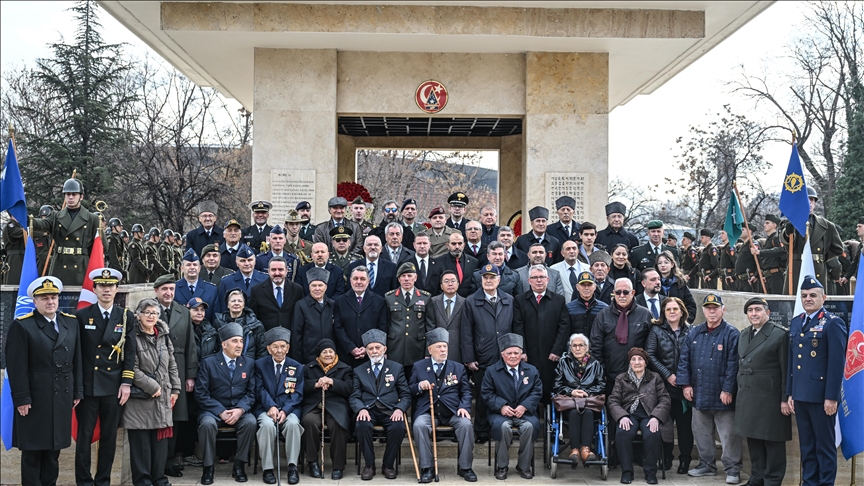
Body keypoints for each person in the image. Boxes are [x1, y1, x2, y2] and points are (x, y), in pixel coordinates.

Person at [5, 276, 82, 486]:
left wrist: (77, 391)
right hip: (35, 397)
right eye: (45, 298)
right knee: (32, 453)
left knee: (52, 452)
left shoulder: (70, 322)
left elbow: (78, 360)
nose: (50, 301)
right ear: (35, 301)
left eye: (54, 297)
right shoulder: (23, 326)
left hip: (62, 395)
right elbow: (16, 366)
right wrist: (21, 398)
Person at [74, 268, 137, 486]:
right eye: (102, 285)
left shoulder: (126, 316)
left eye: (110, 286)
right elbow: (77, 354)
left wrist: (126, 382)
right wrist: (77, 387)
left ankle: (103, 481)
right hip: (89, 387)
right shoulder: (81, 315)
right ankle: (83, 481)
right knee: (84, 438)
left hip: (113, 388)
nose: (106, 289)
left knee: (109, 438)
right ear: (95, 289)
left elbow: (130, 353)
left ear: (116, 289)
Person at [787, 276, 847, 486]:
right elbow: (792, 363)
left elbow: (836, 364)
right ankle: (809, 482)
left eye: (813, 295)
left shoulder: (832, 323)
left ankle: (825, 483)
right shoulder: (796, 322)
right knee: (807, 446)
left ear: (824, 297)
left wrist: (831, 397)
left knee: (824, 446)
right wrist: (790, 393)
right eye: (804, 296)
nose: (808, 299)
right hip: (801, 396)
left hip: (821, 398)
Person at [677, 293, 742, 484]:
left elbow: (733, 364)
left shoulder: (732, 333)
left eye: (715, 307)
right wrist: (686, 384)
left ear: (723, 309)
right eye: (708, 308)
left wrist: (728, 389)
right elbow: (684, 360)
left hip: (723, 396)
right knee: (702, 434)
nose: (712, 311)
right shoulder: (694, 332)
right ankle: (707, 465)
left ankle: (732, 469)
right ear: (703, 310)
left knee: (729, 436)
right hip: (699, 394)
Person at [120, 298, 181, 486]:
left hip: (162, 398)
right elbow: (131, 367)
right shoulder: (132, 336)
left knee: (159, 445)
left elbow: (172, 364)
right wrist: (152, 386)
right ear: (138, 315)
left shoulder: (163, 335)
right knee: (141, 446)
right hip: (141, 399)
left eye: (154, 313)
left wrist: (176, 389)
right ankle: (143, 481)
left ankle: (159, 480)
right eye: (146, 312)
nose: (151, 316)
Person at [733, 297, 792, 486]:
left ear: (767, 312)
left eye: (758, 309)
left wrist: (785, 398)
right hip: (748, 397)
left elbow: (786, 369)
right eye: (750, 310)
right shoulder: (744, 335)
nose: (754, 314)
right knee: (754, 441)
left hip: (770, 397)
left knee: (772, 442)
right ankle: (756, 478)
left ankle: (772, 480)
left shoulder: (779, 334)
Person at [409, 328, 477, 482]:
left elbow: (466, 391)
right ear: (430, 349)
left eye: (445, 347)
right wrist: (420, 385)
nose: (442, 350)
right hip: (428, 411)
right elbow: (410, 389)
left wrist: (464, 407)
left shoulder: (458, 367)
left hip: (453, 411)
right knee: (419, 425)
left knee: (466, 425)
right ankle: (427, 468)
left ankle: (465, 467)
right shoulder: (419, 366)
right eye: (439, 347)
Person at [195, 322, 258, 485]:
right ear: (224, 344)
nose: (239, 345)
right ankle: (208, 467)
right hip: (213, 410)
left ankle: (239, 465)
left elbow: (252, 393)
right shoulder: (209, 362)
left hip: (238, 409)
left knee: (250, 422)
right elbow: (201, 393)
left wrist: (240, 410)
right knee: (207, 424)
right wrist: (220, 411)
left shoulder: (249, 363)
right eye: (235, 341)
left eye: (241, 341)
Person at [152, 273, 200, 477]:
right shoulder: (149, 310)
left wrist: (190, 375)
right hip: (155, 369)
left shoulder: (182, 311)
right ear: (156, 291)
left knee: (175, 417)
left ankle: (170, 461)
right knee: (156, 416)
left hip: (178, 369)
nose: (168, 293)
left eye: (171, 289)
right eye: (164, 289)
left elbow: (191, 345)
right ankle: (155, 462)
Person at [461, 265, 515, 444]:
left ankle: (502, 428)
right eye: (485, 277)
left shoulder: (509, 299)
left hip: (505, 356)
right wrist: (469, 358)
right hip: (482, 356)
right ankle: (482, 431)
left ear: (499, 280)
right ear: (481, 280)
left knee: (505, 393)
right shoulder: (471, 301)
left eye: (492, 277)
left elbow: (515, 328)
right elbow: (466, 331)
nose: (489, 280)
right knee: (484, 396)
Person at [481, 333, 544, 480]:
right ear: (502, 354)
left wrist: (525, 406)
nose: (513, 356)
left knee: (529, 427)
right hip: (500, 413)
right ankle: (502, 466)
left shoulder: (531, 370)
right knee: (503, 427)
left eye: (517, 352)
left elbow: (537, 391)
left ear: (522, 354)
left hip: (526, 413)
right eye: (509, 353)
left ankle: (524, 466)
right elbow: (486, 393)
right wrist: (501, 406)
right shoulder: (491, 371)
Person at [350, 329, 411, 480]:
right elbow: (354, 396)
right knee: (362, 424)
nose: (374, 351)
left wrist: (399, 409)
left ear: (385, 348)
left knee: (398, 427)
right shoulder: (359, 370)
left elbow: (406, 395)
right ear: (366, 350)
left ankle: (388, 465)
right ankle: (369, 465)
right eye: (370, 348)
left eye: (377, 347)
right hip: (368, 410)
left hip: (390, 410)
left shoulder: (396, 368)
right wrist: (361, 409)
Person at [607, 347, 671, 485]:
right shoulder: (621, 378)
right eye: (633, 359)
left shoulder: (655, 377)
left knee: (652, 434)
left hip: (650, 414)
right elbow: (613, 400)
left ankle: (650, 472)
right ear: (629, 363)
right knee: (622, 433)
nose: (637, 362)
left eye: (640, 359)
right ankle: (627, 472)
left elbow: (665, 399)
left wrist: (656, 417)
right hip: (629, 415)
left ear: (646, 363)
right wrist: (622, 416)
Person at [645, 297, 693, 474]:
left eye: (675, 309)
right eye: (668, 309)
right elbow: (649, 355)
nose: (672, 312)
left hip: (684, 389)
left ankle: (685, 460)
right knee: (665, 425)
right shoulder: (656, 330)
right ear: (663, 313)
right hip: (664, 388)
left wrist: (684, 378)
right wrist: (668, 375)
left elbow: (694, 357)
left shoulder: (692, 331)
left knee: (685, 427)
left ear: (682, 312)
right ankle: (666, 458)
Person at [254, 327, 305, 484]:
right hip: (265, 408)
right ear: (268, 348)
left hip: (289, 409)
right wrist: (271, 406)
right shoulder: (259, 364)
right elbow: (259, 389)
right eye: (275, 346)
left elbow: (297, 393)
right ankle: (268, 469)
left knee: (293, 425)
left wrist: (285, 410)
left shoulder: (297, 366)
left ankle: (292, 467)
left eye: (283, 346)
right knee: (267, 426)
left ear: (288, 348)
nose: (279, 350)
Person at [512, 265, 571, 401]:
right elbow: (517, 327)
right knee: (528, 389)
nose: (539, 280)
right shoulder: (520, 300)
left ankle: (548, 419)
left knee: (548, 389)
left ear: (548, 279)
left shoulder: (558, 300)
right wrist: (522, 351)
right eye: (535, 277)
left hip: (550, 355)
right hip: (528, 355)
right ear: (528, 280)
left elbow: (564, 327)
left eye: (542, 277)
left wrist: (557, 350)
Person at [29, 178, 101, 285]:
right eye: (67, 194)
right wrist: (27, 219)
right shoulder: (56, 216)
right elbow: (41, 224)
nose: (70, 197)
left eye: (74, 194)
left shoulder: (92, 219)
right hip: (60, 266)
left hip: (81, 267)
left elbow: (101, 246)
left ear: (81, 196)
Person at [301, 339, 353, 480]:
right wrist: (316, 384)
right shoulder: (309, 368)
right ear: (319, 354)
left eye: (331, 351)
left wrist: (332, 382)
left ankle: (338, 466)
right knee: (309, 421)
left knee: (338, 424)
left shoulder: (345, 368)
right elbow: (301, 387)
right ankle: (312, 462)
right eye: (325, 352)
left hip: (336, 406)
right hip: (314, 406)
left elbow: (349, 388)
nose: (328, 354)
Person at [589, 278, 653, 393]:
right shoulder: (602, 315)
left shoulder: (645, 314)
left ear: (633, 293)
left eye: (626, 292)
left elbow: (652, 346)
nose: (621, 295)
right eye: (618, 292)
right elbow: (595, 346)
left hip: (639, 375)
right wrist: (602, 372)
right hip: (611, 376)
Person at [553, 333, 605, 465]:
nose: (577, 348)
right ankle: (575, 450)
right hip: (569, 403)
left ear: (587, 348)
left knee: (587, 412)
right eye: (574, 346)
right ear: (570, 348)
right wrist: (572, 392)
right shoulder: (563, 362)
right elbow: (556, 385)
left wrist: (586, 392)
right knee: (575, 412)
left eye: (580, 345)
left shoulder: (596, 363)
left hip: (589, 402)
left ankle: (585, 449)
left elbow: (602, 385)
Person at [780, 187, 844, 291]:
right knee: (794, 302)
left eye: (812, 200)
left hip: (817, 270)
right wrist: (788, 233)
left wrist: (819, 257)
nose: (809, 202)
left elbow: (838, 248)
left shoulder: (827, 225)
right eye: (806, 199)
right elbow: (784, 242)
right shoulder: (791, 223)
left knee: (816, 300)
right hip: (797, 268)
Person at [384, 262, 435, 377]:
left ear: (415, 278)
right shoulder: (389, 297)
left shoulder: (425, 297)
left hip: (417, 348)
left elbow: (430, 327)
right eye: (403, 276)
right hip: (395, 348)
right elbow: (385, 325)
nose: (406, 279)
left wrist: (428, 351)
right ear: (398, 278)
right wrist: (384, 350)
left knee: (416, 380)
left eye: (409, 275)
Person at [333, 266, 388, 366]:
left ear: (368, 281)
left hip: (370, 356)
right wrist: (350, 348)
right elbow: (338, 327)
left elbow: (381, 327)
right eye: (355, 278)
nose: (359, 282)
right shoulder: (340, 301)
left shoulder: (379, 301)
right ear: (350, 280)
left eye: (362, 279)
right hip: (346, 356)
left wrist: (367, 347)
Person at [291, 267, 338, 364]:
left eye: (320, 285)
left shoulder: (333, 305)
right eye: (313, 285)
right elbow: (296, 335)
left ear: (326, 287)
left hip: (330, 357)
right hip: (309, 357)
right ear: (309, 287)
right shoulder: (301, 305)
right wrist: (298, 361)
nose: (317, 289)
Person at [248, 256, 305, 331]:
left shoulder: (297, 290)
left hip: (290, 338)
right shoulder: (257, 290)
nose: (277, 273)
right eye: (273, 270)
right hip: (266, 338)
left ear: (286, 271)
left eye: (280, 269)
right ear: (268, 271)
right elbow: (253, 318)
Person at [214, 288, 267, 359]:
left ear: (244, 305)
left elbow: (262, 351)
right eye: (233, 301)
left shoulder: (256, 325)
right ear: (228, 305)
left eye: (240, 301)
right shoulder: (218, 323)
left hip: (249, 367)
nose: (236, 303)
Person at [216, 244, 269, 313]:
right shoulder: (226, 282)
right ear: (237, 263)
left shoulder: (265, 279)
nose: (247, 263)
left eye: (250, 260)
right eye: (243, 261)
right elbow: (223, 309)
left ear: (255, 261)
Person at [430, 270, 466, 363]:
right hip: (438, 351)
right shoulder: (433, 302)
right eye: (446, 281)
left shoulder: (466, 303)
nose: (450, 284)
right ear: (441, 286)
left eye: (453, 281)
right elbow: (430, 327)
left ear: (458, 284)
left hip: (459, 350)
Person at [428, 232, 479, 297]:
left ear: (464, 244)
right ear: (447, 245)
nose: (457, 247)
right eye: (453, 244)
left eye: (460, 243)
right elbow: (435, 285)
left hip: (468, 301)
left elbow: (474, 284)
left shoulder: (473, 262)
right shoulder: (438, 261)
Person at [174, 249, 219, 321]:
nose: (192, 267)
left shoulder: (212, 290)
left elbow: (215, 318)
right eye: (188, 265)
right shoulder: (173, 288)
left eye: (195, 265)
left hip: (205, 331)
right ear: (182, 268)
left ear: (199, 268)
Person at [654, 251, 697, 323]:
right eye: (660, 263)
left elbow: (691, 305)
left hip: (678, 324)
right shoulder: (654, 283)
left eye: (666, 262)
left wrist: (684, 322)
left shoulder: (680, 283)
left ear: (672, 264)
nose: (663, 265)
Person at [565, 271, 608, 338]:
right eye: (583, 285)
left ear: (595, 286)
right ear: (577, 287)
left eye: (589, 285)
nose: (586, 288)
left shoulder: (604, 308)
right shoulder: (569, 308)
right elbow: (565, 334)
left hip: (596, 347)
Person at [189, 297, 220, 361]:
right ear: (188, 311)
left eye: (202, 310)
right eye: (195, 309)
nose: (200, 313)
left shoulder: (211, 331)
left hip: (208, 369)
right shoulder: (184, 330)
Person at [733, 223, 760, 292]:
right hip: (740, 280)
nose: (740, 231)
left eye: (742, 229)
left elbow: (759, 260)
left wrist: (756, 275)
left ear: (749, 231)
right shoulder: (744, 245)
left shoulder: (752, 244)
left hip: (749, 279)